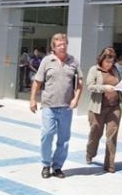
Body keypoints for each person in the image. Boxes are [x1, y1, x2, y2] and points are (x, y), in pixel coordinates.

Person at [30, 33, 83, 179]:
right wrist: (33, 99)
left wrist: (76, 99)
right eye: (59, 45)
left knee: (64, 139)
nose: (62, 47)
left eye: (64, 44)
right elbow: (37, 81)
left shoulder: (73, 61)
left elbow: (80, 82)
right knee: (47, 135)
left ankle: (57, 166)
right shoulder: (47, 61)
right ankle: (46, 164)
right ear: (54, 47)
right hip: (49, 105)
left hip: (66, 107)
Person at [86, 47, 122, 173]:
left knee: (112, 136)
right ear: (101, 60)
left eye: (111, 62)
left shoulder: (115, 70)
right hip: (98, 108)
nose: (109, 64)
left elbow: (120, 83)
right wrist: (104, 88)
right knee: (95, 134)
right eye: (107, 62)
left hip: (114, 107)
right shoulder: (94, 70)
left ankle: (110, 165)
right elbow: (90, 86)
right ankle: (90, 153)